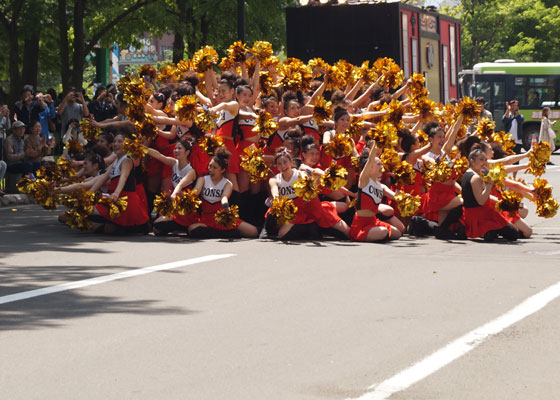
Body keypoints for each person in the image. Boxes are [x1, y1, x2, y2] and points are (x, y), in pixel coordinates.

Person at [188, 147, 258, 239]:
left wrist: (225, 206)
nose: (210, 169)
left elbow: (224, 197)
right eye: (210, 166)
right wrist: (188, 196)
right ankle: (223, 233)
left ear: (222, 170)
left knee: (253, 232)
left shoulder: (227, 183)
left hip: (222, 217)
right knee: (191, 229)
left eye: (214, 167)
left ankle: (222, 232)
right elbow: (196, 191)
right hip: (206, 218)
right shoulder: (203, 179)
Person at [460, 148, 518, 241]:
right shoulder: (475, 177)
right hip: (479, 214)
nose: (484, 162)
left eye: (485, 159)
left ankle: (491, 231)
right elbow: (481, 201)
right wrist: (489, 184)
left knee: (513, 231)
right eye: (481, 159)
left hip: (478, 211)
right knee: (513, 234)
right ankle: (487, 231)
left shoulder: (474, 172)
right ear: (472, 161)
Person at [350, 142, 402, 242]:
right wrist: (376, 144)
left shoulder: (380, 185)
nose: (381, 167)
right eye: (378, 164)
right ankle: (361, 235)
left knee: (398, 232)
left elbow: (394, 196)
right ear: (370, 167)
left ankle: (375, 233)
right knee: (383, 232)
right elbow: (370, 161)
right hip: (361, 224)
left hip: (374, 221)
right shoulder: (364, 180)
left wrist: (403, 197)